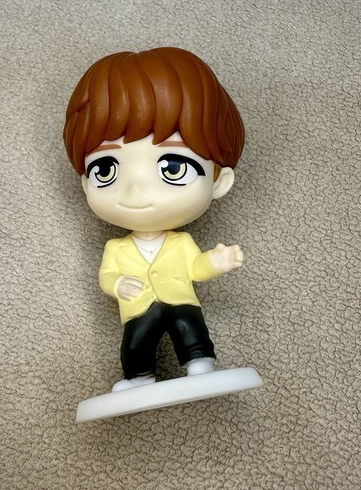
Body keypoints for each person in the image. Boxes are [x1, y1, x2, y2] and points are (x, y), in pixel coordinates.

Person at [63, 47, 245, 392]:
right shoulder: (116, 248)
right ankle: (138, 377)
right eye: (105, 169)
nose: (136, 190)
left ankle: (200, 364)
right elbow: (106, 276)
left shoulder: (182, 242)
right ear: (86, 184)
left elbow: (194, 269)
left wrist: (215, 262)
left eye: (173, 167)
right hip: (138, 307)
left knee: (190, 327)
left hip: (179, 299)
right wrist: (118, 285)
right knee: (136, 341)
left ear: (219, 181)